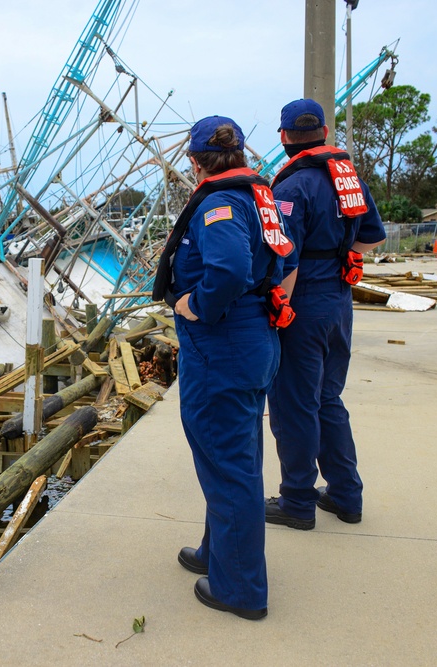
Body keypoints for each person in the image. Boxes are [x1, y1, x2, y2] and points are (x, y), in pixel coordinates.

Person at [152, 115, 294, 620]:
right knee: (234, 455)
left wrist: (199, 305)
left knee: (227, 462)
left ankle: (239, 589)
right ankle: (219, 552)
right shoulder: (260, 196)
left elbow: (230, 267)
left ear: (194, 162)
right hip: (253, 340)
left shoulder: (217, 202)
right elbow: (287, 256)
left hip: (222, 347)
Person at [263, 99, 385, 531]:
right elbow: (373, 234)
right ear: (326, 133)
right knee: (328, 398)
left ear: (283, 137)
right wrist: (347, 255)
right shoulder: (346, 177)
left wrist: (280, 309)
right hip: (339, 299)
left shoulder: (291, 188)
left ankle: (297, 500)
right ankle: (346, 494)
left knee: (295, 403)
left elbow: (287, 258)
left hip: (307, 302)